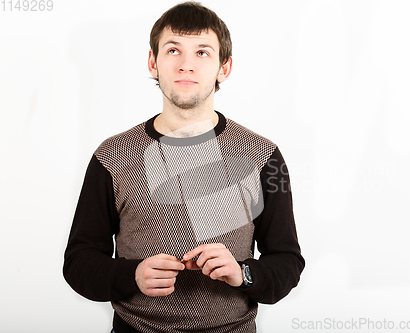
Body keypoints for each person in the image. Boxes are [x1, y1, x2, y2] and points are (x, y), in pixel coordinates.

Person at [63, 2, 305, 332]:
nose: (186, 65)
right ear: (153, 62)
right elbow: (79, 262)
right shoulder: (112, 157)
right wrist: (131, 275)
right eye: (173, 50)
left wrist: (242, 272)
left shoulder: (264, 157)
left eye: (202, 52)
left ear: (224, 68)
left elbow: (288, 263)